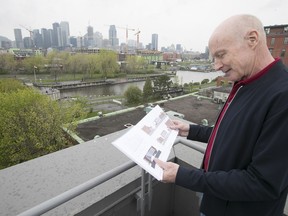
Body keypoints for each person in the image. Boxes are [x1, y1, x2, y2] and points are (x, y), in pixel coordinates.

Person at [155, 14, 288, 216]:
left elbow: (263, 182)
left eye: (221, 54)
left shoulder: (282, 96)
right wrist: (190, 130)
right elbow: (234, 135)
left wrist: (183, 176)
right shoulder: (245, 81)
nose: (216, 66)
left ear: (252, 39)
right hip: (215, 198)